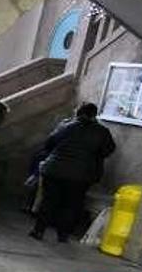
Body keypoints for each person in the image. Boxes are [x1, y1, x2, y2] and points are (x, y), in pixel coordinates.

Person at [30, 102, 116, 242]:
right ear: (94, 115)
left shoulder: (66, 126)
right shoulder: (102, 132)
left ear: (78, 113)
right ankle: (63, 235)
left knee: (49, 201)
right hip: (81, 175)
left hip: (55, 170)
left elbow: (49, 144)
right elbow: (108, 150)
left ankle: (38, 230)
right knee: (72, 204)